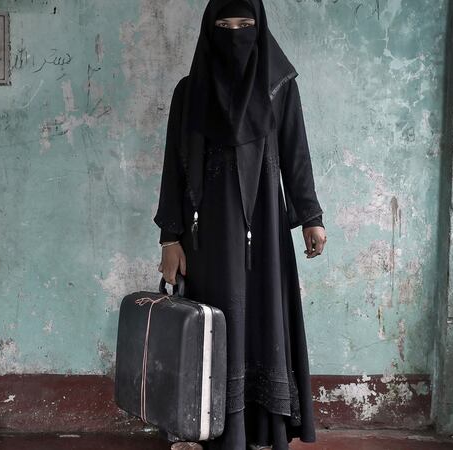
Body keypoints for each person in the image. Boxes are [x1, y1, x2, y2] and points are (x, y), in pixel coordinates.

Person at [153, 1, 328, 449]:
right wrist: (170, 237)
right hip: (207, 237)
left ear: (261, 28)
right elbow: (174, 168)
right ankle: (212, 429)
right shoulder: (189, 94)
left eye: (245, 25)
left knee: (263, 321)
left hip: (266, 236)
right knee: (214, 325)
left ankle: (264, 431)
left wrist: (310, 217)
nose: (235, 34)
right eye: (224, 26)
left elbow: (296, 154)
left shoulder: (279, 90)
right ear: (209, 32)